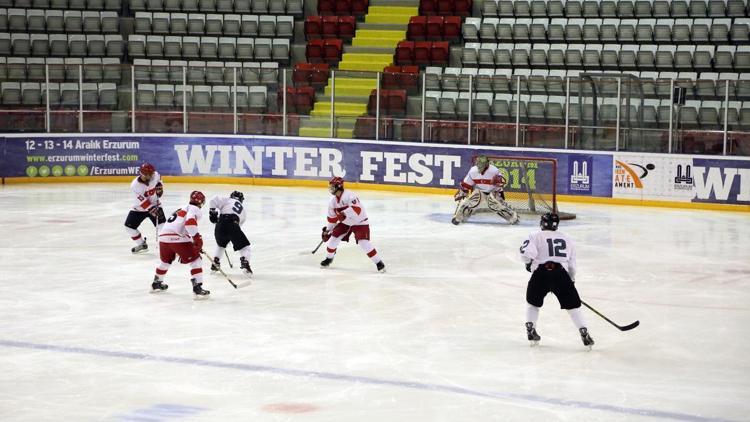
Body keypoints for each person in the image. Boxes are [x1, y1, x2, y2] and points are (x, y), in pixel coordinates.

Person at [520, 213, 594, 348]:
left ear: (542, 223)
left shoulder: (535, 235)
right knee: (573, 308)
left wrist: (529, 264)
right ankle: (583, 330)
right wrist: (570, 279)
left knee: (533, 304)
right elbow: (572, 264)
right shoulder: (567, 238)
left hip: (540, 274)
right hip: (560, 275)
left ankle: (530, 327)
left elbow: (525, 254)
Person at [320, 177, 385, 273]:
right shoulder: (332, 202)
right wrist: (327, 231)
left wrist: (344, 213)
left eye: (333, 186)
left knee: (364, 243)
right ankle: (329, 259)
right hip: (346, 223)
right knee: (332, 240)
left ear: (339, 186)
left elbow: (357, 209)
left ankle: (379, 263)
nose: (331, 188)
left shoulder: (350, 196)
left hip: (359, 222)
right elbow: (332, 219)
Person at [152, 191, 209, 298]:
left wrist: (192, 244)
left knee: (165, 262)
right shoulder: (195, 209)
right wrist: (197, 239)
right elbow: (190, 223)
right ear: (201, 202)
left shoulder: (182, 208)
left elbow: (181, 226)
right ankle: (198, 287)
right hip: (177, 238)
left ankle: (156, 283)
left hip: (163, 237)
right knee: (196, 260)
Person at [452, 155, 519, 225]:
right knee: (470, 203)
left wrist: (499, 186)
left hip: (493, 191)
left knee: (495, 205)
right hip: (480, 190)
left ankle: (512, 217)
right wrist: (462, 192)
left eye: (481, 164)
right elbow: (467, 184)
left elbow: (501, 183)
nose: (479, 166)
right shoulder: (473, 171)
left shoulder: (494, 170)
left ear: (486, 164)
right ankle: (459, 217)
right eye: (478, 164)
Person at [124, 163, 166, 253]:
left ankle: (168, 246)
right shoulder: (135, 185)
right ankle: (141, 244)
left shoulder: (155, 175)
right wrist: (152, 209)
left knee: (163, 227)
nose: (152, 175)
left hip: (155, 204)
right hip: (139, 209)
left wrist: (160, 187)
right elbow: (143, 202)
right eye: (149, 174)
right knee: (129, 227)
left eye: (152, 173)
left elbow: (159, 181)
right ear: (143, 174)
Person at [208, 191, 252, 276]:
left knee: (220, 245)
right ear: (241, 200)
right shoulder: (243, 211)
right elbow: (238, 226)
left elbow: (213, 199)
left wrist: (212, 211)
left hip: (220, 225)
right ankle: (245, 263)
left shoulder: (227, 200)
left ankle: (215, 263)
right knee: (245, 247)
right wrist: (232, 236)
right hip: (233, 225)